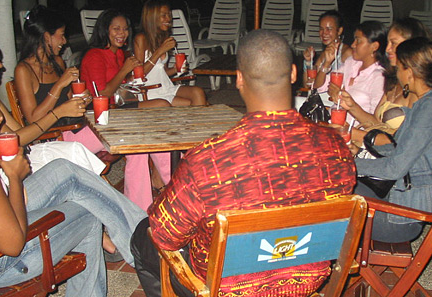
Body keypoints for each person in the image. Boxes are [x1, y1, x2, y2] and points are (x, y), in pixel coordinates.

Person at [130, 30, 356, 297]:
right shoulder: (336, 149)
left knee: (142, 234)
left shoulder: (207, 161)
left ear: (239, 79)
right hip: (305, 280)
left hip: (224, 288)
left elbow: (165, 236)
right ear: (294, 74)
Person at [0, 61, 147, 297]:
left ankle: (142, 237)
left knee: (64, 171)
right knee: (86, 213)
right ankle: (147, 247)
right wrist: (14, 178)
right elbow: (13, 244)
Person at [0, 32, 107, 176]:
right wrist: (58, 112)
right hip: (6, 168)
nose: (0, 65)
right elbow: (16, 138)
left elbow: (21, 133)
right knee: (76, 163)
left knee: (76, 151)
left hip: (27, 152)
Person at [353, 37, 432, 243]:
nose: (397, 73)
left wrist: (349, 164)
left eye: (399, 67)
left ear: (409, 71)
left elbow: (394, 169)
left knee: (329, 196)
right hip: (397, 198)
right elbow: (397, 150)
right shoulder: (427, 105)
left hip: (401, 216)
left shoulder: (431, 109)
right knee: (333, 183)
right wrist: (361, 150)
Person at [80, 9, 172, 209]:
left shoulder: (119, 54)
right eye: (116, 29)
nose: (122, 33)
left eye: (125, 29)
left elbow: (120, 87)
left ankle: (170, 175)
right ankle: (167, 180)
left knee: (162, 107)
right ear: (106, 30)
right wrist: (124, 71)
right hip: (100, 114)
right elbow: (101, 94)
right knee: (142, 134)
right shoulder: (95, 56)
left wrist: (131, 80)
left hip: (118, 106)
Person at [14, 5, 102, 153]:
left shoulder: (57, 62)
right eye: (61, 35)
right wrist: (59, 84)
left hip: (73, 127)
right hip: (54, 137)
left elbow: (68, 101)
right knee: (120, 133)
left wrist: (81, 99)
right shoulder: (24, 70)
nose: (65, 41)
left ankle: (150, 177)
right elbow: (33, 119)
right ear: (47, 37)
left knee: (127, 131)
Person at [337, 18, 432, 145]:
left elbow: (404, 143)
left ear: (412, 46)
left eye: (393, 43)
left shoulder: (420, 88)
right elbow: (377, 124)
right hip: (378, 152)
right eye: (388, 43)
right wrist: (352, 106)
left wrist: (353, 134)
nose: (387, 49)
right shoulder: (394, 80)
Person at [133, 0, 206, 106]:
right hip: (149, 91)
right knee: (198, 104)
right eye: (164, 15)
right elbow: (138, 75)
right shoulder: (141, 39)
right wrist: (159, 52)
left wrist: (175, 69)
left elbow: (162, 72)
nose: (168, 19)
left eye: (169, 15)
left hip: (166, 87)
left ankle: (197, 122)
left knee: (198, 92)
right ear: (152, 17)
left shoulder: (162, 38)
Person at [319, 20, 388, 124]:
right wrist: (326, 64)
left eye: (358, 41)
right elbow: (319, 87)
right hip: (332, 122)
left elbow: (375, 123)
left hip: (354, 132)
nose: (353, 45)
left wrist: (348, 103)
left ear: (374, 46)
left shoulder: (379, 77)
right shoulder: (351, 63)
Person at [303, 10, 352, 88]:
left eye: (329, 29)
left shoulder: (347, 53)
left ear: (339, 31)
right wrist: (308, 62)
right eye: (321, 29)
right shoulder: (325, 54)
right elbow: (308, 85)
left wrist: (326, 64)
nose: (324, 33)